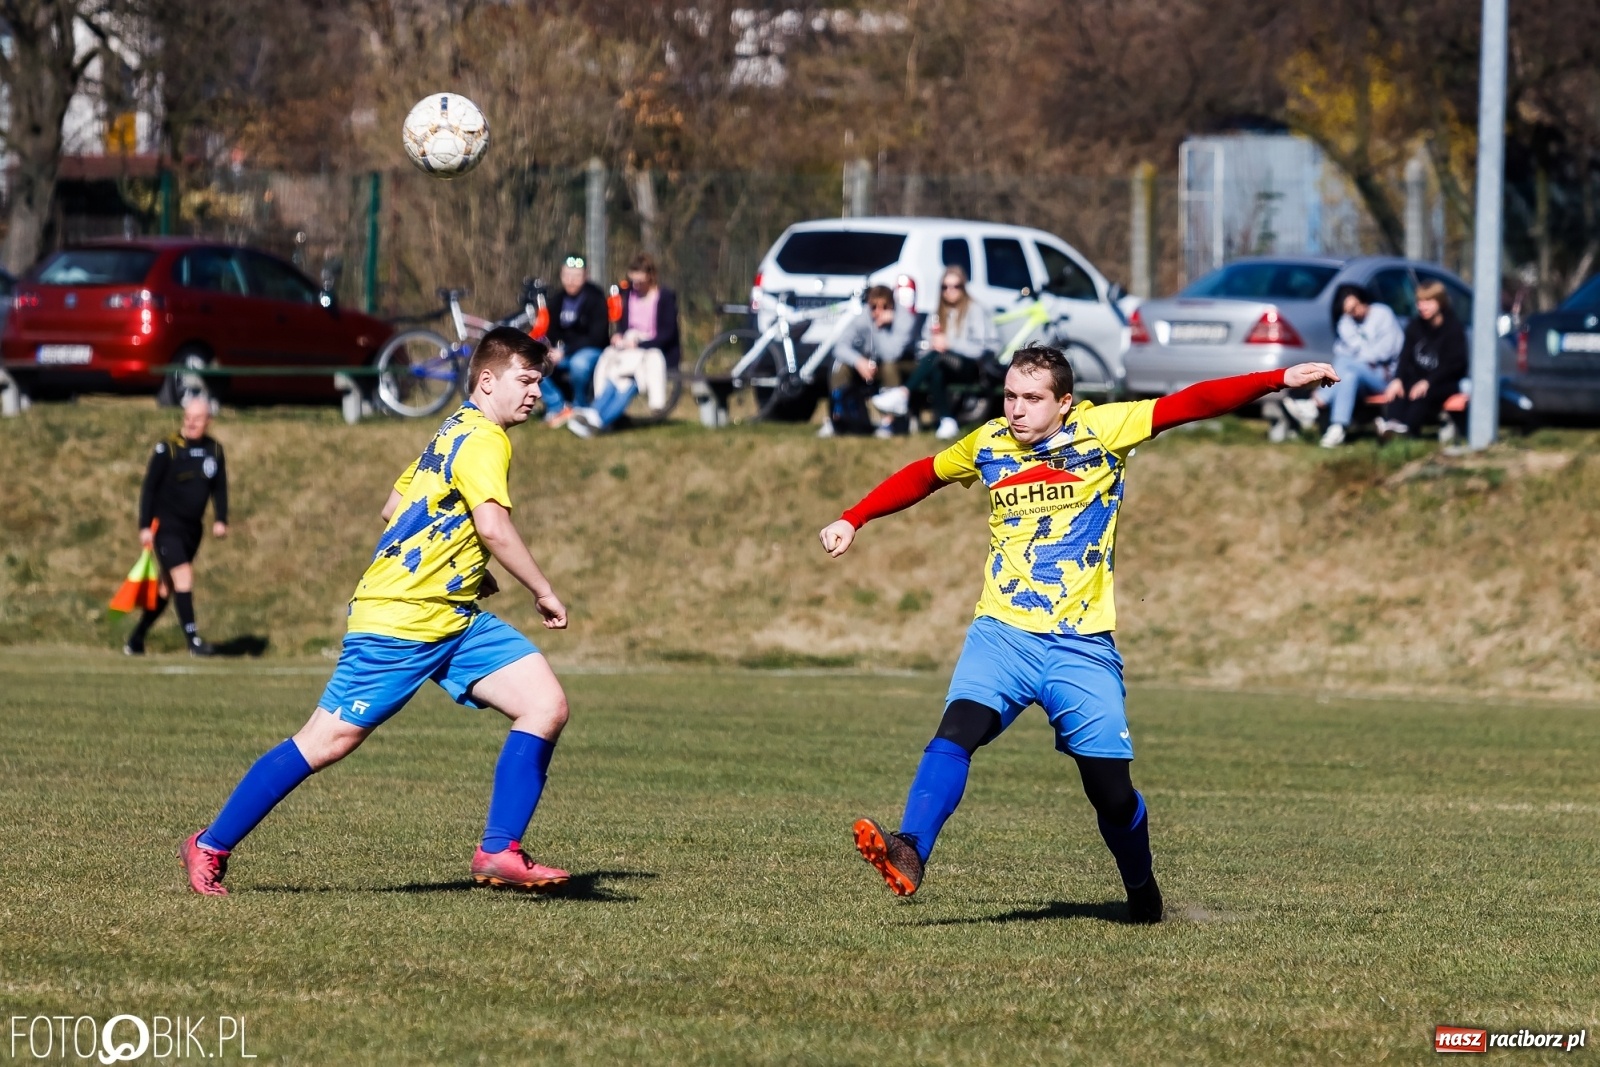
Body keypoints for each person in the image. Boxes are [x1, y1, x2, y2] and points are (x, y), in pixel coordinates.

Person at [817, 345, 1339, 920]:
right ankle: (911, 849)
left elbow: (1190, 403)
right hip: (1004, 632)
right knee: (958, 729)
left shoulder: (1103, 430)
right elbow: (925, 474)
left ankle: (1142, 891)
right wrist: (853, 516)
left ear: (1065, 403)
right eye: (1010, 396)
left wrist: (1275, 379)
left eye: (1033, 399)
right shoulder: (988, 444)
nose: (1017, 410)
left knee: (1111, 794)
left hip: (1081, 645)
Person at [179, 328, 573, 896]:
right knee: (324, 742)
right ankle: (209, 844)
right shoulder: (484, 438)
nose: (536, 392)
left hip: (453, 616)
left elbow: (396, 507)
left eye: (540, 381)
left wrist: (460, 564)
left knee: (545, 704)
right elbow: (492, 524)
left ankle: (498, 850)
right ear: (488, 380)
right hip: (400, 620)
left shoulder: (453, 430)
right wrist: (541, 589)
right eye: (526, 379)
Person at [125, 397, 228, 656]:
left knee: (167, 588)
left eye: (197, 418)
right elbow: (149, 488)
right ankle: (193, 641)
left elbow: (220, 487)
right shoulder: (168, 448)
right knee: (184, 576)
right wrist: (144, 525)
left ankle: (136, 638)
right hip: (166, 527)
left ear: (208, 421)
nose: (191, 423)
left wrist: (221, 518)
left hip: (192, 531)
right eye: (187, 417)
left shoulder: (214, 450)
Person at [568, 252, 679, 437]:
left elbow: (667, 333)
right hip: (627, 349)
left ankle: (597, 420)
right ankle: (595, 416)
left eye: (640, 282)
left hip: (651, 351)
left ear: (650, 277)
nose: (636, 285)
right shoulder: (628, 295)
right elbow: (622, 325)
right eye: (633, 281)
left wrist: (641, 344)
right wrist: (620, 337)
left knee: (627, 381)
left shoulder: (664, 297)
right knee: (616, 377)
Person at [905, 266, 998, 440]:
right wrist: (932, 345)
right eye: (945, 287)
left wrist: (949, 343)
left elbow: (980, 349)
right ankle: (947, 420)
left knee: (938, 358)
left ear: (963, 287)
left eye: (956, 286)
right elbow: (925, 343)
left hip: (970, 367)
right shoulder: (937, 312)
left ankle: (904, 394)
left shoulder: (974, 309)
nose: (950, 291)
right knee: (936, 369)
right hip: (941, 365)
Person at [1308, 285, 1405, 448]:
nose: (1354, 313)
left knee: (1346, 363)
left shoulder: (1382, 314)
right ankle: (1338, 428)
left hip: (1385, 376)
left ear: (1363, 300)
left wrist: (1360, 354)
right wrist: (1363, 354)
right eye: (1349, 311)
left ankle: (1318, 401)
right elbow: (1340, 348)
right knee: (1348, 375)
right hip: (1359, 373)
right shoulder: (1347, 321)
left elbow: (1385, 352)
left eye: (1355, 307)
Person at [820, 284, 917, 439]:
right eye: (874, 307)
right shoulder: (864, 316)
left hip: (903, 365)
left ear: (892, 305)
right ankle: (838, 419)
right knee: (842, 366)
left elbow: (891, 353)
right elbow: (840, 346)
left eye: (884, 307)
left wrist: (880, 327)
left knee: (888, 367)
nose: (878, 311)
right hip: (870, 364)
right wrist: (858, 361)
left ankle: (889, 421)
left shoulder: (904, 318)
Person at [1379, 279, 1467, 439]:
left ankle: (1408, 429)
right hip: (1418, 379)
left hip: (1443, 382)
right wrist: (1397, 379)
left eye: (1428, 301)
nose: (1422, 306)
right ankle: (1392, 424)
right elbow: (1405, 356)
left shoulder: (1453, 328)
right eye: (1419, 302)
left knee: (1422, 394)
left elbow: (1454, 365)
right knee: (1400, 389)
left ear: (1439, 302)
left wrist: (1428, 382)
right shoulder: (1415, 325)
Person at [538, 254, 610, 428]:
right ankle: (557, 406)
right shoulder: (557, 300)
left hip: (591, 350)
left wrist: (565, 351)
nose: (571, 280)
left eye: (576, 276)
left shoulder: (596, 297)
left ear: (585, 276)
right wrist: (549, 350)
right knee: (535, 364)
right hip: (562, 352)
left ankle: (580, 407)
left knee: (579, 364)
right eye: (567, 275)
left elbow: (596, 336)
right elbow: (551, 332)